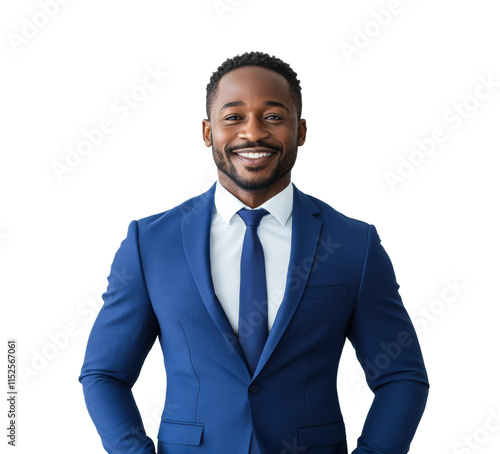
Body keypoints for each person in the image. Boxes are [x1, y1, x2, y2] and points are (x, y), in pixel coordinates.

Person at [79, 51, 429, 454]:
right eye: (233, 117)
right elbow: (105, 373)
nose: (253, 133)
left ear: (300, 131)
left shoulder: (354, 244)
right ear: (208, 132)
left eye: (274, 117)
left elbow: (402, 377)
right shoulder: (150, 243)